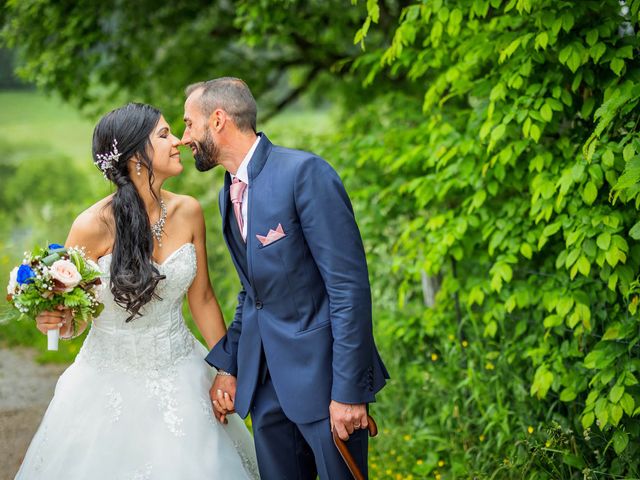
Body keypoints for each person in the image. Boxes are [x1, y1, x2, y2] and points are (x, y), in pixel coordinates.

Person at [18, 103, 259, 479]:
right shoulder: (91, 225)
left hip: (182, 372)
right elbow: (74, 318)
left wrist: (227, 369)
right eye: (164, 135)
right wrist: (54, 321)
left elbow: (204, 299)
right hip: (106, 383)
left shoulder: (189, 211)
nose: (178, 140)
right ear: (135, 157)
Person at [181, 77, 389, 479]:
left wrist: (348, 392)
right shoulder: (229, 192)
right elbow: (252, 293)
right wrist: (231, 368)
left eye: (190, 123)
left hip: (326, 385)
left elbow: (348, 289)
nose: (185, 136)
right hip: (266, 391)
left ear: (219, 120)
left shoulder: (304, 173)